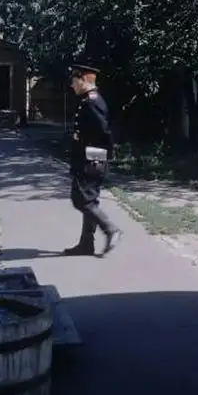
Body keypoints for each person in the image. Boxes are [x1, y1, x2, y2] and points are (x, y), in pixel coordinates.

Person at [63, 61, 123, 257]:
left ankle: (110, 229)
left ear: (83, 80)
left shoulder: (92, 102)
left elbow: (104, 132)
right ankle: (86, 244)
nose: (72, 85)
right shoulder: (87, 100)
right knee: (89, 200)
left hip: (90, 160)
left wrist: (102, 157)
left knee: (80, 199)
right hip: (89, 158)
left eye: (74, 80)